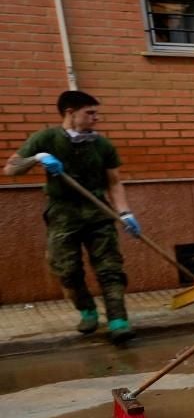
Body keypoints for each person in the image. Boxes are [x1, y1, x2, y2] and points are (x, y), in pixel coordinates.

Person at [5, 91, 140, 344]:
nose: (96, 118)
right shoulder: (46, 139)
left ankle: (118, 320)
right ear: (70, 112)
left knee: (110, 268)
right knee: (67, 269)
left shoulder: (102, 145)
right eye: (90, 113)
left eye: (96, 112)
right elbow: (11, 169)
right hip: (63, 214)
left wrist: (125, 212)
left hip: (99, 212)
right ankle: (87, 311)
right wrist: (37, 158)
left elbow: (114, 182)